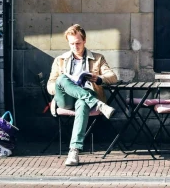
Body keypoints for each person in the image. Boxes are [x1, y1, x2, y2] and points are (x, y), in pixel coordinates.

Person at [47, 24, 118, 166]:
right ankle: (98, 104)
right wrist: (65, 86)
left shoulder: (97, 58)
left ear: (84, 41)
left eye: (78, 43)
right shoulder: (60, 60)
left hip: (85, 97)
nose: (75, 46)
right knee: (61, 79)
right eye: (71, 43)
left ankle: (74, 151)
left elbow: (113, 77)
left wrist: (98, 78)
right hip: (65, 98)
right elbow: (50, 85)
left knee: (83, 101)